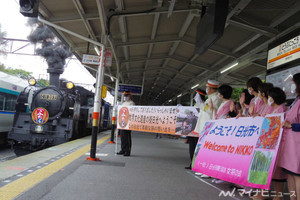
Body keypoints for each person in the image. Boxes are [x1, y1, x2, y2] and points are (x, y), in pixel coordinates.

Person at [277, 73, 300, 200]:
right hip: (291, 143)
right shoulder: (297, 99)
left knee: (297, 175)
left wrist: (292, 126)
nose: (292, 86)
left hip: (297, 144)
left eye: (294, 83)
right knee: (290, 174)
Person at [194, 80, 222, 178]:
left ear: (210, 88)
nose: (206, 89)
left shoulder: (217, 98)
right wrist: (199, 102)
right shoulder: (209, 98)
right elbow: (203, 109)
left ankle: (208, 171)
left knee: (207, 149)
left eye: (207, 87)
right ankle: (203, 169)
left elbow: (211, 112)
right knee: (203, 149)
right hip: (204, 127)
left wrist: (200, 103)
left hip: (210, 127)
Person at [185, 89, 206, 170]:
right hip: (193, 129)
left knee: (195, 148)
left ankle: (195, 164)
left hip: (198, 130)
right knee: (192, 148)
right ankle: (192, 163)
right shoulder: (196, 105)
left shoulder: (203, 105)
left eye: (196, 95)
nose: (194, 97)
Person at [117, 91, 135, 157]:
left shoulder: (131, 103)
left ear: (129, 96)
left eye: (126, 95)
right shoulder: (123, 103)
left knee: (127, 137)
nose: (125, 97)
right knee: (122, 137)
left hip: (128, 123)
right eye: (124, 95)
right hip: (122, 122)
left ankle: (127, 151)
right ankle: (123, 149)